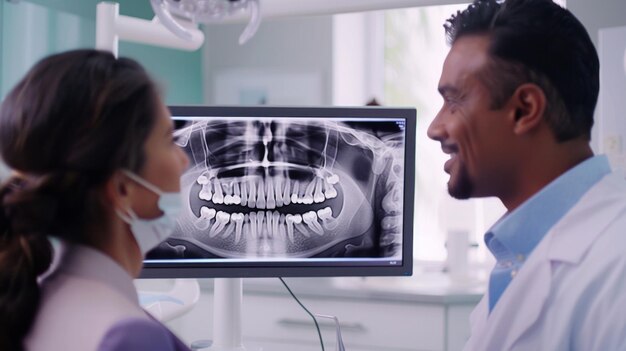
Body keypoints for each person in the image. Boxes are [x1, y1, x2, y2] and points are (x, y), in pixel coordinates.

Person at [428, 0, 626, 349]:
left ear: (524, 110)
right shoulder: (520, 254)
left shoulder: (615, 265)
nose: (434, 128)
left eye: (454, 102)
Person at [0, 49, 191, 351]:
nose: (184, 162)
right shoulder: (129, 337)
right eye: (169, 140)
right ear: (122, 189)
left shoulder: (31, 304)